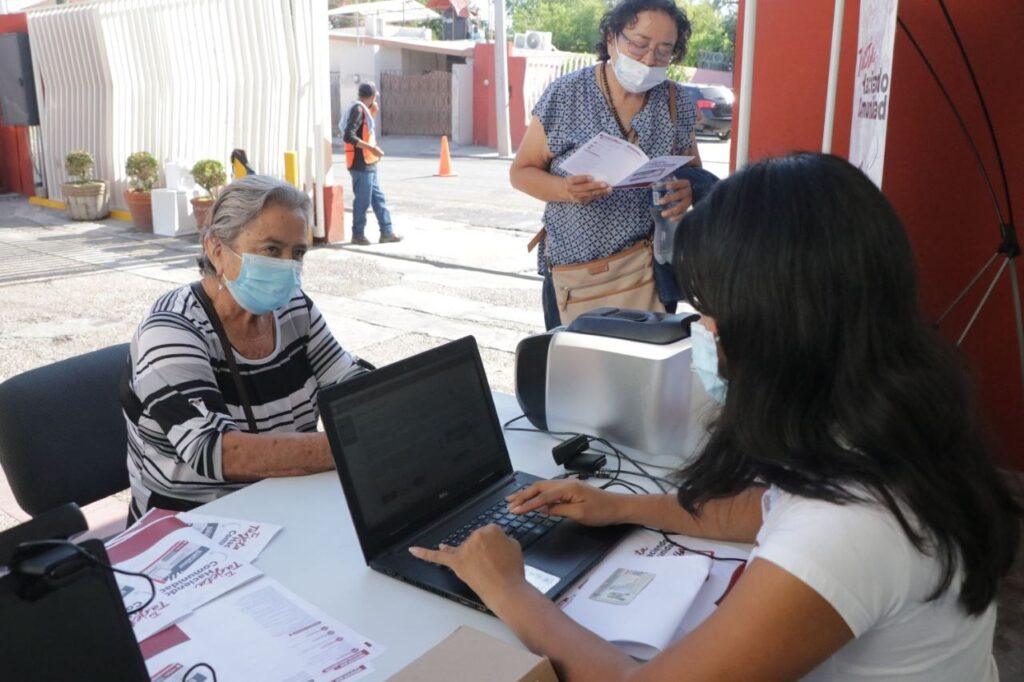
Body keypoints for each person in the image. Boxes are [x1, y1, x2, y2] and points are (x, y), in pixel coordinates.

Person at [411, 153, 1021, 681]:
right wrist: (623, 507)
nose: (704, 330)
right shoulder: (884, 429)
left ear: (778, 330)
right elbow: (772, 507)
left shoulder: (851, 526)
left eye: (708, 310)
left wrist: (509, 589)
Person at [121, 175, 369, 520]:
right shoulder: (171, 329)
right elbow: (217, 450)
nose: (287, 265)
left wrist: (390, 405)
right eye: (271, 249)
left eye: (297, 253)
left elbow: (352, 384)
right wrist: (355, 444)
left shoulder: (294, 309)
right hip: (193, 528)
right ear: (216, 248)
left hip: (284, 504)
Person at [510, 0, 701, 330]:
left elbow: (691, 171)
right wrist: (564, 190)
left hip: (647, 275)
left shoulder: (676, 100)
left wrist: (689, 190)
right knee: (576, 376)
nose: (648, 59)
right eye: (639, 44)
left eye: (663, 51)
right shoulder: (566, 94)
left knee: (642, 378)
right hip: (574, 276)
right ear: (612, 38)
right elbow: (520, 172)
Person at [343, 82, 402, 246]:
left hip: (369, 162)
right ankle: (357, 234)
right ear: (372, 96)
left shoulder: (365, 110)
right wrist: (372, 148)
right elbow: (349, 136)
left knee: (378, 199)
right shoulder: (358, 110)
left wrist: (373, 109)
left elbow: (366, 132)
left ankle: (387, 232)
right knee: (362, 201)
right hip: (360, 164)